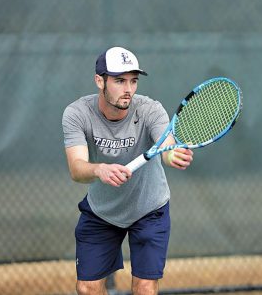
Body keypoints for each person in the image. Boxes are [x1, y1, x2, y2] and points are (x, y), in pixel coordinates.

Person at [62, 46, 194, 295]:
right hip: (102, 212)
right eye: (120, 81)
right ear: (99, 80)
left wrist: (172, 154)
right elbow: (77, 169)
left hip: (149, 210)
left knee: (144, 288)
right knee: (87, 288)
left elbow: (166, 146)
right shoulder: (76, 114)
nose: (128, 89)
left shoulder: (150, 110)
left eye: (133, 81)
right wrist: (99, 169)